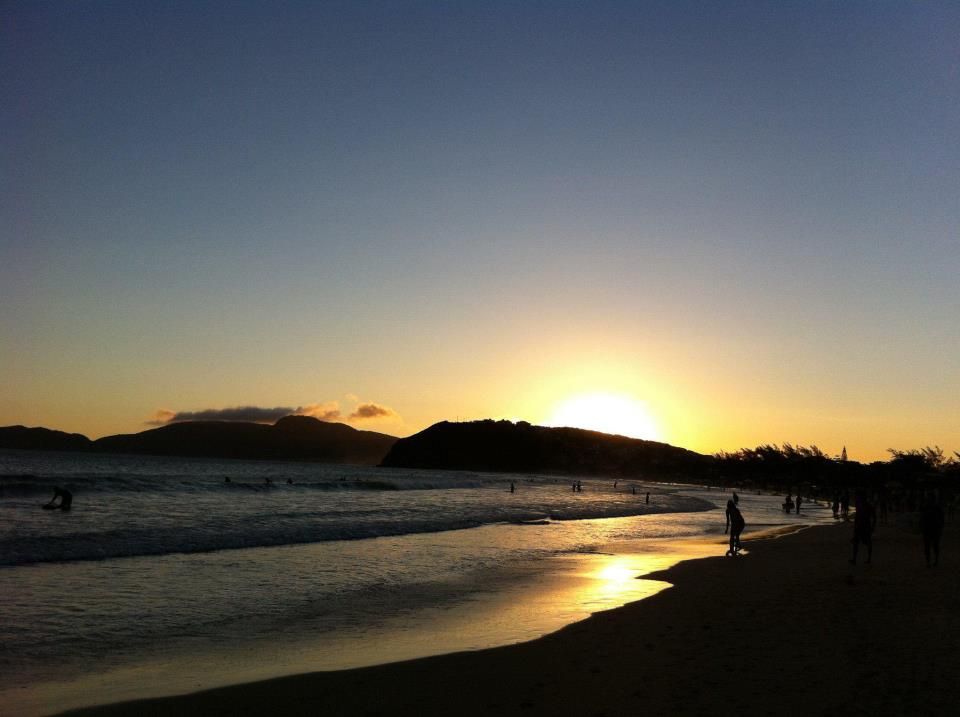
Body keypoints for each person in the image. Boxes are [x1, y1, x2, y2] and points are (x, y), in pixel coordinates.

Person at [850, 490, 876, 565]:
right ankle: (854, 559)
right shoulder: (858, 504)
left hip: (865, 526)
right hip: (859, 526)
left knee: (867, 542)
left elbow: (874, 517)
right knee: (856, 542)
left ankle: (869, 559)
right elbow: (857, 516)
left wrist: (873, 527)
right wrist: (855, 525)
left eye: (858, 496)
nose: (856, 498)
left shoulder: (868, 506)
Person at [920, 492, 944, 567]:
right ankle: (932, 561)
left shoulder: (929, 507)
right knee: (932, 546)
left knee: (931, 546)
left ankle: (931, 561)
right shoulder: (933, 507)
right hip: (932, 529)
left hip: (931, 529)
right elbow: (942, 519)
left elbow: (922, 518)